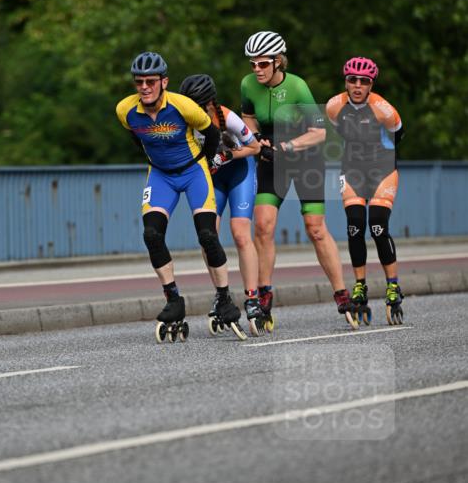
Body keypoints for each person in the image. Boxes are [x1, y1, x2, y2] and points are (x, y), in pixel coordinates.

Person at [116, 51, 243, 337]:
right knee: (151, 235)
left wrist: (210, 164)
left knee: (208, 235)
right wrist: (157, 160)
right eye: (139, 82)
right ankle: (173, 300)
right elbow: (137, 136)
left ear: (164, 81)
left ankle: (223, 297)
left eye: (151, 81)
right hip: (160, 175)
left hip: (193, 171)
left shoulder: (184, 106)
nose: (145, 87)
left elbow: (211, 135)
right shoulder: (125, 110)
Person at [240, 30, 356, 325]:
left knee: (315, 228)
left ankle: (341, 293)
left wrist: (287, 146)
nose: (257, 70)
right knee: (263, 225)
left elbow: (318, 133)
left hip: (306, 159)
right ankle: (264, 294)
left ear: (279, 62)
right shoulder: (248, 85)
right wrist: (254, 137)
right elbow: (248, 115)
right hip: (272, 160)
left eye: (263, 64)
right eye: (253, 64)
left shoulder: (298, 87)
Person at [178, 73, 266, 335]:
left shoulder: (226, 117)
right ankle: (221, 292)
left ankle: (252, 297)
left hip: (239, 173)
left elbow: (256, 148)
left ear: (207, 103)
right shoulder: (183, 120)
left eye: (196, 105)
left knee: (240, 233)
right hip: (213, 179)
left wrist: (227, 154)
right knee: (208, 236)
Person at [326, 56, 405, 324]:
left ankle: (392, 285)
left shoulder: (383, 108)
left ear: (371, 84)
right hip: (352, 170)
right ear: (345, 82)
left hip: (382, 170)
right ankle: (360, 284)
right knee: (355, 226)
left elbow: (398, 134)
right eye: (352, 80)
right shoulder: (334, 106)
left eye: (364, 81)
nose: (358, 85)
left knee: (378, 227)